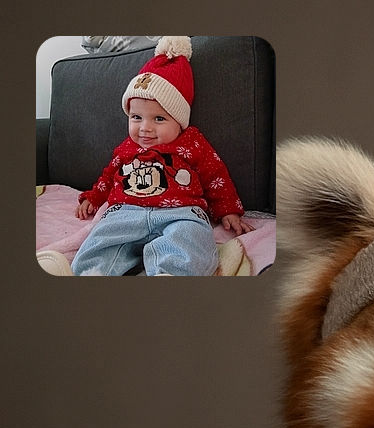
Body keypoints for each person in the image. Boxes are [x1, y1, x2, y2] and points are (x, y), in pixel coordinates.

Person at [55, 36, 249, 276]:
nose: (145, 128)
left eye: (159, 119)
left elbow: (215, 176)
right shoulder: (127, 146)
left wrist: (228, 209)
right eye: (136, 117)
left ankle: (170, 274)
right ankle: (91, 273)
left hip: (180, 213)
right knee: (101, 240)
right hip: (125, 211)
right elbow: (109, 173)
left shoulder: (193, 142)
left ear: (179, 121)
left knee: (192, 240)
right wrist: (94, 197)